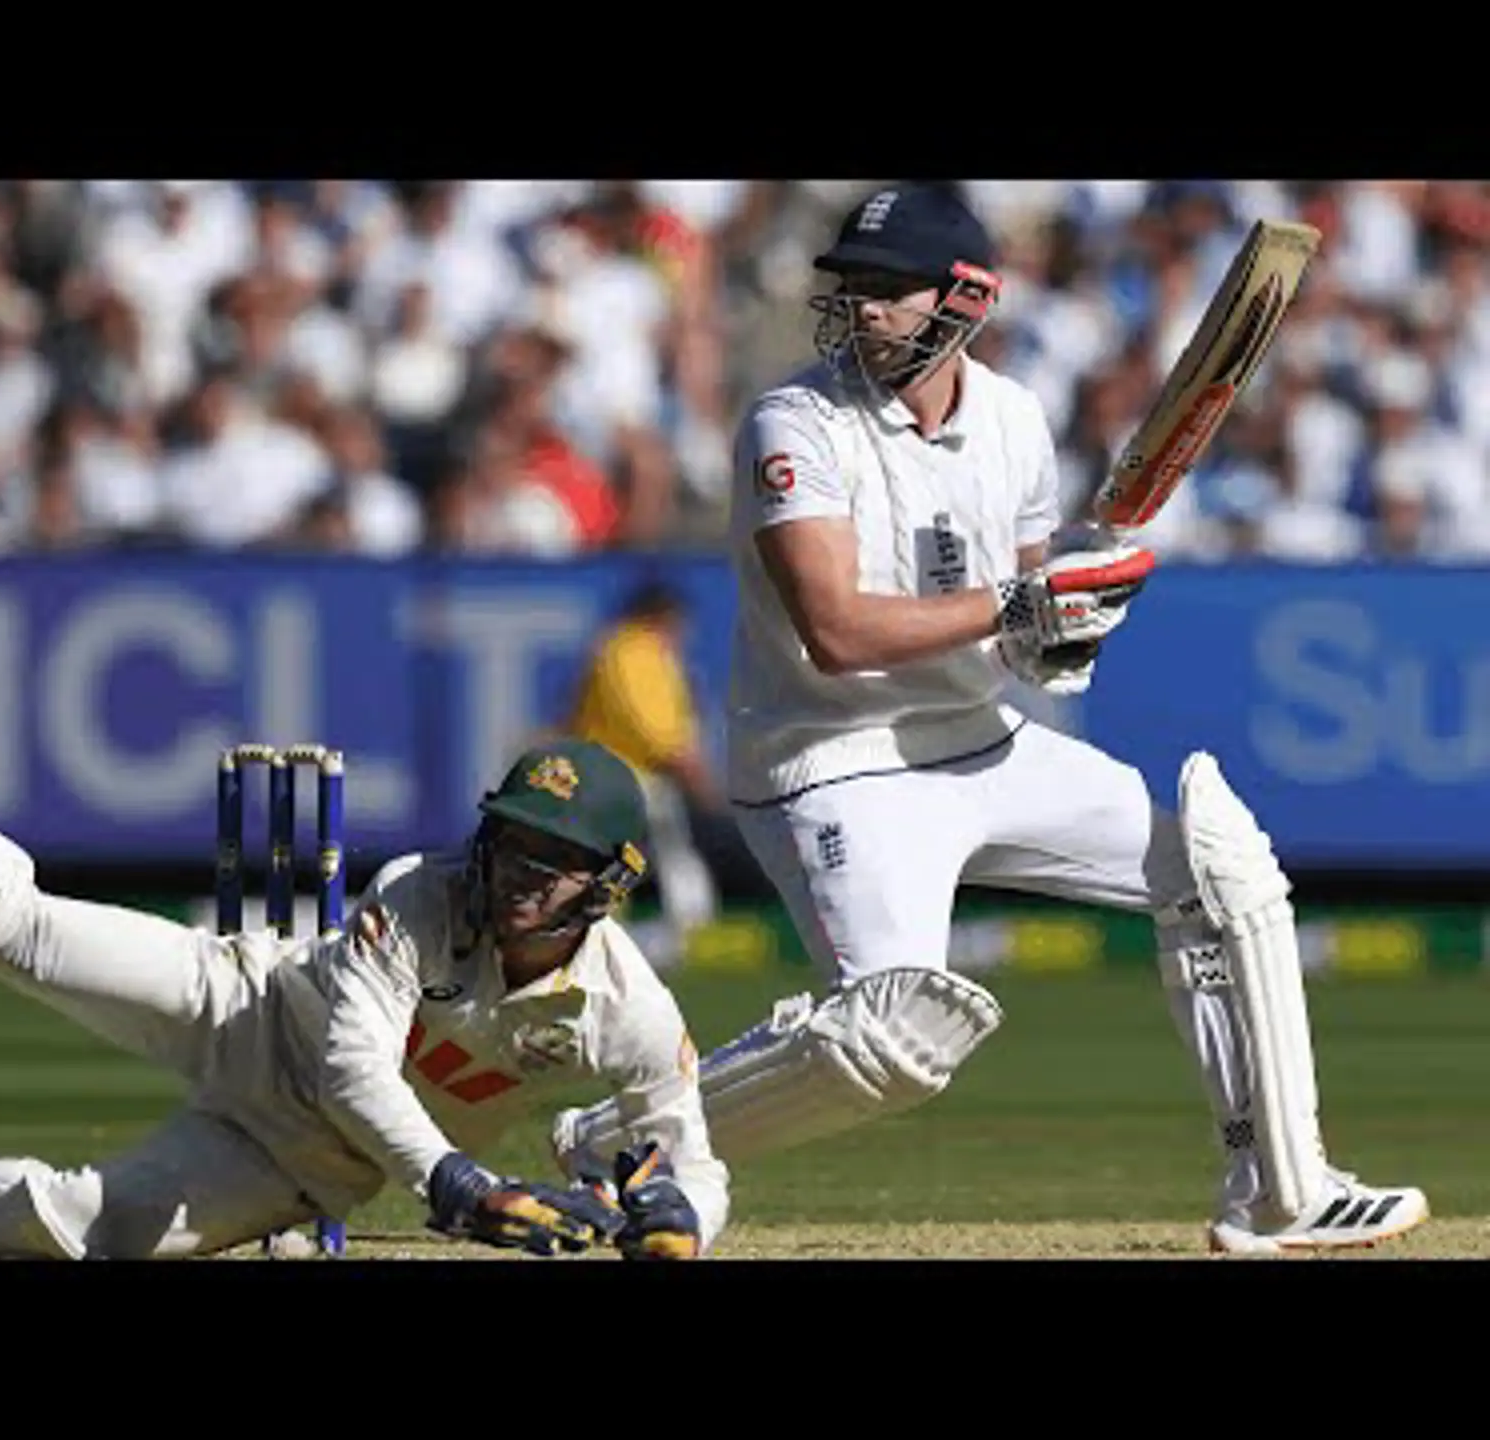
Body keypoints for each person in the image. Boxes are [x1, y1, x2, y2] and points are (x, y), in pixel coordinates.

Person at [552, 183, 1427, 1256]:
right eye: (852, 290)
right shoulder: (794, 422)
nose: (863, 311)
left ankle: (1280, 1193)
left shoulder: (1013, 418)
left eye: (887, 291)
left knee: (1220, 867)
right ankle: (619, 1138)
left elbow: (1027, 626)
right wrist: (1025, 605)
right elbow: (837, 631)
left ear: (965, 297)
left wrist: (1069, 618)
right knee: (897, 1037)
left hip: (981, 742)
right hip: (833, 760)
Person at [0, 702, 722, 1261]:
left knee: (77, 1232)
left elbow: (685, 1147)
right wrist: (464, 1185)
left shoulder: (629, 1011)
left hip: (293, 1164)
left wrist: (673, 1225)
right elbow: (349, 1061)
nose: (519, 877)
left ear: (607, 883)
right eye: (511, 845)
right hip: (245, 1003)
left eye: (552, 862)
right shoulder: (422, 890)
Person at [566, 577, 721, 969]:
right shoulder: (634, 652)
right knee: (631, 874)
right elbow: (654, 729)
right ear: (663, 616)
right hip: (624, 783)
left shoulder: (619, 649)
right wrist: (694, 773)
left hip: (616, 779)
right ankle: (615, 953)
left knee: (617, 876)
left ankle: (606, 951)